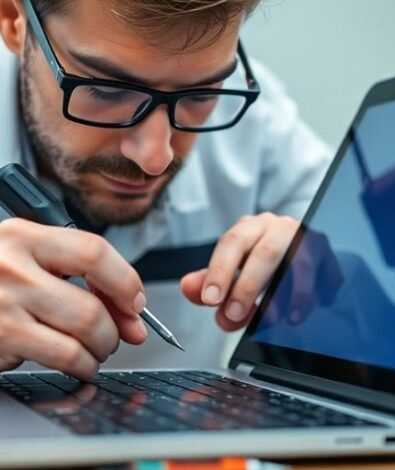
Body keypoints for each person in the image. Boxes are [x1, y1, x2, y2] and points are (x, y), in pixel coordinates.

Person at [0, 0, 331, 379]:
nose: (155, 159)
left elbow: (365, 285)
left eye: (200, 96)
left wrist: (320, 280)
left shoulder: (254, 117)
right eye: (107, 91)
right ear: (14, 22)